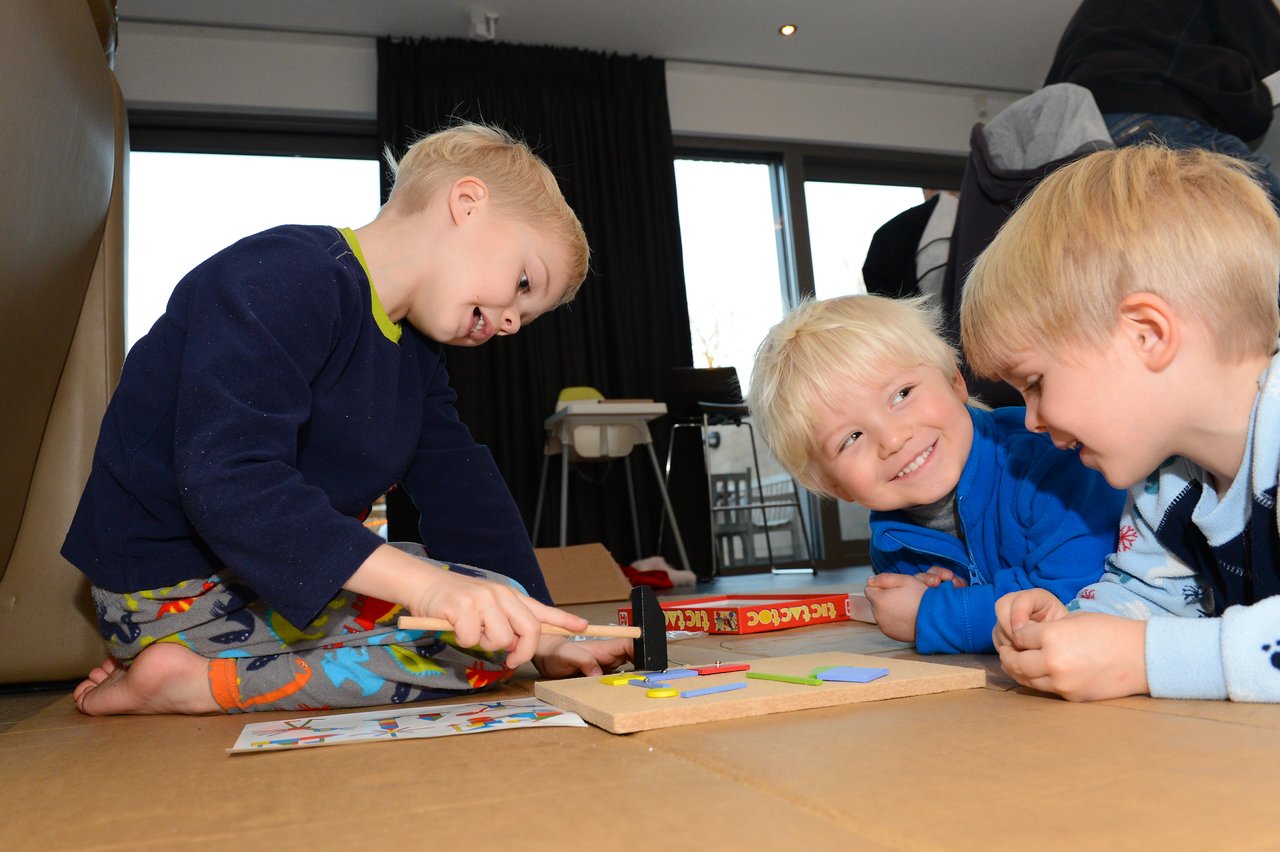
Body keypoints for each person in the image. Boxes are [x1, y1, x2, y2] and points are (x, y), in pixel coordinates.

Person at [63, 122, 630, 716]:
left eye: (527, 314)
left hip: (261, 583)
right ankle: (191, 682)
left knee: (496, 610)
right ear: (467, 203)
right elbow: (230, 480)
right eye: (522, 283)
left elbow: (462, 488)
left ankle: (204, 659)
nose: (513, 321)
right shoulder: (285, 275)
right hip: (171, 585)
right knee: (476, 641)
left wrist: (539, 628)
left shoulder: (416, 354)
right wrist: (434, 588)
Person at [961, 145, 1280, 702]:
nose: (1031, 421)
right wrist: (1066, 628)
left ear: (1146, 335)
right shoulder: (1165, 484)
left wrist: (1143, 660)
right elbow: (1150, 598)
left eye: (1035, 383)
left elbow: (1146, 649)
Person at [746, 294, 1125, 653]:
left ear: (954, 380)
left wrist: (932, 613)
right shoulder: (893, 544)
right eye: (852, 437)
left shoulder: (1047, 463)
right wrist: (921, 596)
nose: (893, 439)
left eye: (901, 394)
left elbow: (1080, 596)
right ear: (832, 484)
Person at [1045, 0, 1280, 206]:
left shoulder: (1101, 19)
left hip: (1073, 144)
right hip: (1150, 115)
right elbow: (1270, 47)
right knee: (1263, 216)